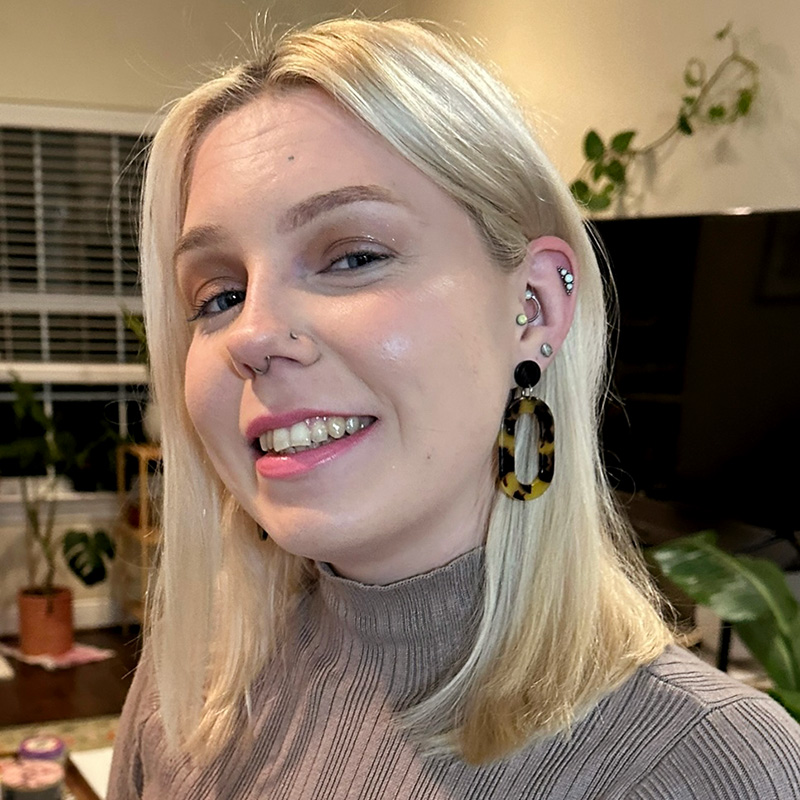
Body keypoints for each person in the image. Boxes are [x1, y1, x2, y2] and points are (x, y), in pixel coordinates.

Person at [108, 17, 800, 799]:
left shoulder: (712, 766)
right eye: (219, 294)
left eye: (353, 256)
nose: (254, 334)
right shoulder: (187, 695)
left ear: (535, 308)